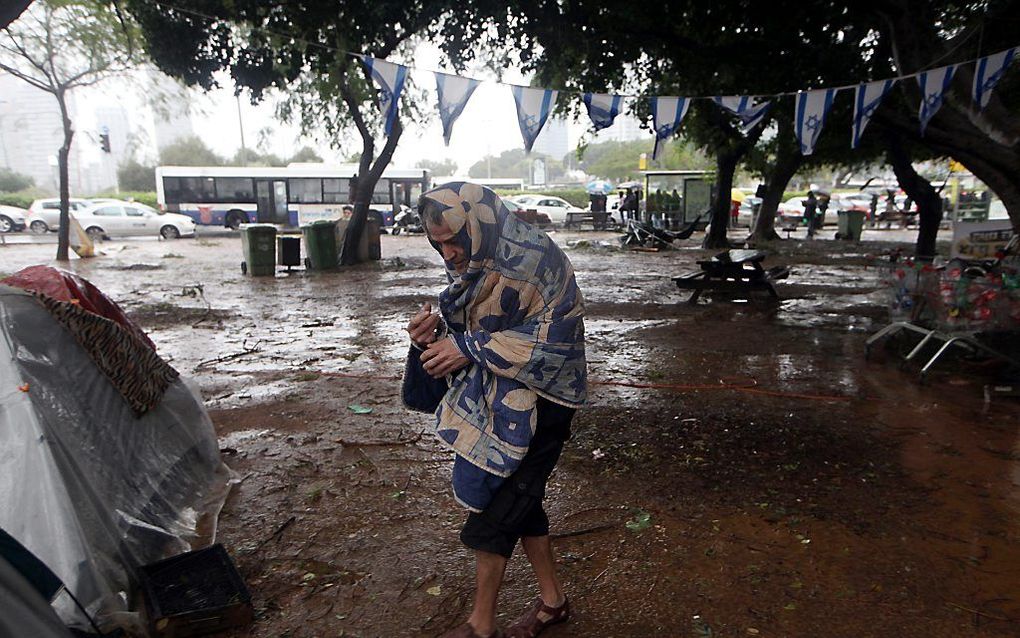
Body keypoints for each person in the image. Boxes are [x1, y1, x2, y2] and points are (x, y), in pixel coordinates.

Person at [403, 182, 587, 638]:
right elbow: (478, 328)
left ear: (477, 227)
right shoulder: (477, 263)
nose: (448, 255)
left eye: (454, 241)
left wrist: (466, 347)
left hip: (548, 399)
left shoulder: (536, 259)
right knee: (523, 502)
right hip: (499, 398)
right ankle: (554, 602)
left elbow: (557, 338)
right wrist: (430, 337)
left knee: (495, 513)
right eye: (437, 244)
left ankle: (480, 626)